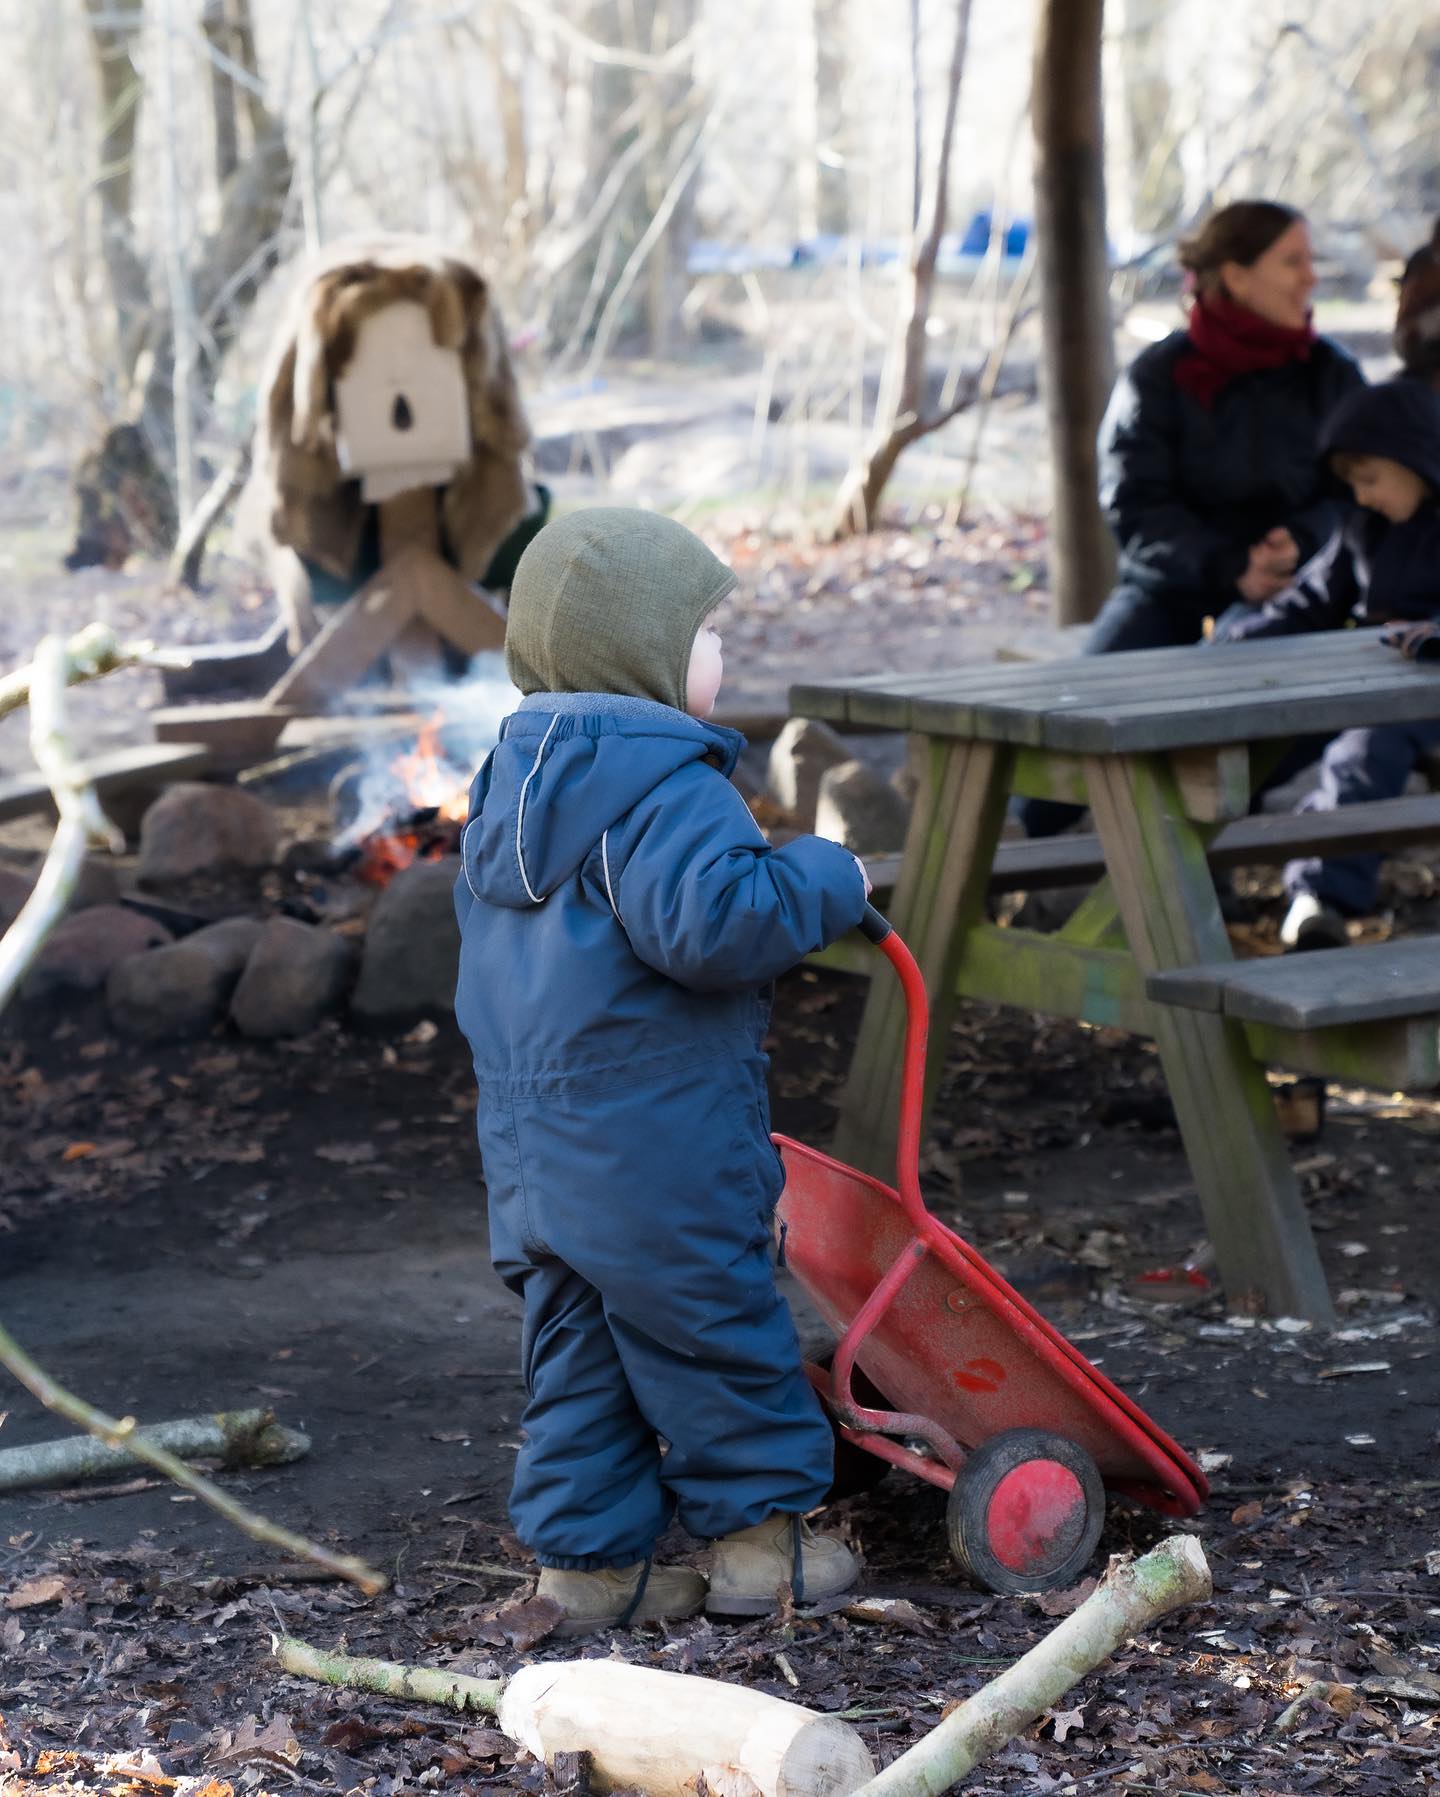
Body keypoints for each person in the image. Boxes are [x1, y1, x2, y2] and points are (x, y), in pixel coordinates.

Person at [452, 507, 872, 1636]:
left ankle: (590, 1571)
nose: (723, 653)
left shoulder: (510, 790)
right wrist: (829, 874)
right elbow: (720, 926)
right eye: (705, 632)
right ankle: (762, 1551)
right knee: (714, 1330)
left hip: (534, 1152)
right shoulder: (663, 787)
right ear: (636, 652)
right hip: (658, 1150)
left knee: (576, 1356)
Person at [1019, 199, 1365, 836]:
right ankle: (1015, 875)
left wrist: (1302, 543)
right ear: (1235, 275)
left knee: (1254, 723)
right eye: (1293, 261)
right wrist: (1231, 566)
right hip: (1170, 592)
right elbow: (1135, 504)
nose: (1312, 277)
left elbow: (1362, 491)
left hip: (1301, 599)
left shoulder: (1332, 374)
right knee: (1065, 741)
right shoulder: (1159, 376)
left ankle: (1203, 869)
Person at [1223, 379, 1440, 948]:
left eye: (1371, 480)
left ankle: (1321, 895)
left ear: (1416, 459)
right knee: (1251, 739)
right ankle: (1198, 870)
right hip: (1358, 677)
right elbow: (1313, 600)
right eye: (1353, 483)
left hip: (1424, 690)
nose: (1362, 495)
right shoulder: (1362, 527)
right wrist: (1244, 642)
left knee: (1361, 757)